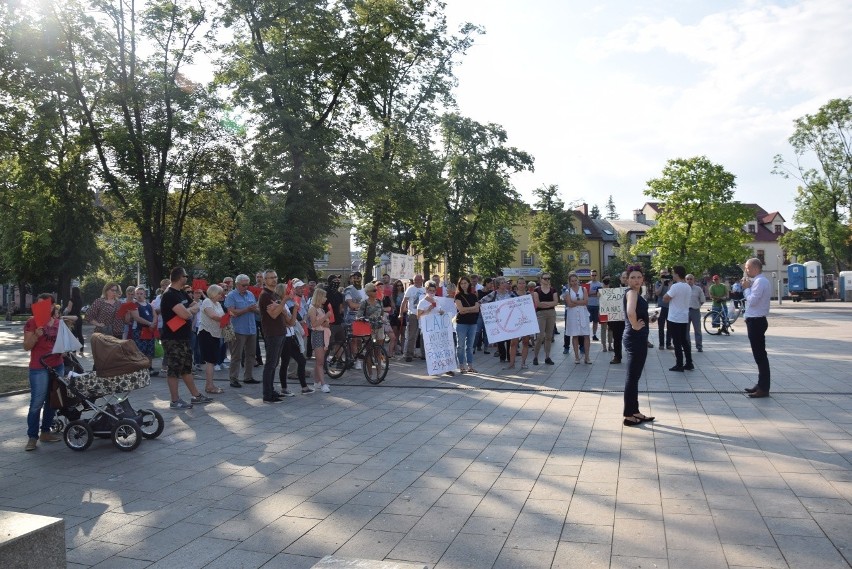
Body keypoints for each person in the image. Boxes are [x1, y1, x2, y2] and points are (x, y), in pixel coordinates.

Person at [159, 267, 212, 409]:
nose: (187, 278)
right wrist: (189, 311)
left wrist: (189, 310)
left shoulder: (181, 293)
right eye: (185, 276)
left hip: (184, 336)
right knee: (174, 369)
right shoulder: (169, 295)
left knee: (186, 368)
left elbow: (195, 305)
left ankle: (196, 396)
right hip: (172, 338)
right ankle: (175, 401)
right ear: (179, 277)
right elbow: (185, 314)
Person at [22, 294, 64, 451]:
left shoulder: (59, 324)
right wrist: (35, 336)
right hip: (39, 367)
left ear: (52, 306)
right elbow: (26, 346)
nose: (40, 308)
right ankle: (32, 437)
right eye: (38, 305)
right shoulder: (32, 322)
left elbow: (64, 346)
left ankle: (45, 432)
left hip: (57, 365)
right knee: (37, 402)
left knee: (52, 401)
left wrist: (65, 349)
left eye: (44, 305)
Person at [622, 265, 655, 426]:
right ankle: (628, 415)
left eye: (638, 277)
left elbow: (636, 311)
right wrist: (635, 324)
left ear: (643, 279)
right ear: (627, 280)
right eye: (632, 277)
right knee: (632, 377)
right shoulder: (632, 293)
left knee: (635, 377)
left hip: (638, 337)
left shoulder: (636, 293)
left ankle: (635, 411)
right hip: (635, 338)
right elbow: (630, 312)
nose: (636, 280)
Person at [276, 279, 314, 396]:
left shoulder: (286, 304)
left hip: (290, 336)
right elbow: (291, 322)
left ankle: (302, 387)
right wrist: (295, 310)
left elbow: (291, 321)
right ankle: (288, 388)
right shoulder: (281, 304)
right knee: (287, 362)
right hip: (285, 337)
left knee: (296, 361)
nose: (292, 292)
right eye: (290, 290)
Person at [742, 258, 772, 398]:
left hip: (757, 321)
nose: (746, 270)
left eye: (747, 267)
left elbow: (753, 301)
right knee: (759, 355)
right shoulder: (759, 281)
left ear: (755, 268)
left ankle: (764, 388)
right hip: (755, 320)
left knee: (760, 356)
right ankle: (761, 384)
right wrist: (747, 286)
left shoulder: (760, 281)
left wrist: (747, 288)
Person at [224, 274, 259, 389]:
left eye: (247, 285)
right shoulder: (231, 295)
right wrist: (247, 309)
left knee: (251, 355)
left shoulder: (250, 294)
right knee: (236, 356)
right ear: (237, 284)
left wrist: (258, 309)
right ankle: (233, 378)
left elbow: (256, 309)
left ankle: (248, 377)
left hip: (251, 328)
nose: (246, 287)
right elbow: (231, 312)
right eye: (243, 285)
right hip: (238, 329)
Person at [259, 270, 287, 402]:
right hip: (272, 333)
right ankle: (267, 394)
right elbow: (274, 314)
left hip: (280, 332)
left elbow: (280, 312)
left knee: (275, 363)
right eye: (270, 278)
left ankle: (271, 390)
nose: (274, 280)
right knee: (270, 364)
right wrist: (284, 301)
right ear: (265, 280)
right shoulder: (265, 295)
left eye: (275, 277)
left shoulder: (274, 294)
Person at [663, 266, 693, 372]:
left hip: (674, 317)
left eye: (673, 273)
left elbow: (665, 299)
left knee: (676, 342)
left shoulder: (675, 287)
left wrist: (669, 288)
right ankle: (689, 362)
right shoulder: (688, 286)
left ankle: (679, 364)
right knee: (684, 341)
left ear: (677, 274)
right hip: (684, 317)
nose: (672, 275)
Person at [479, 277, 515, 363]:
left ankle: (510, 357)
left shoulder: (510, 293)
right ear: (498, 285)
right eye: (502, 283)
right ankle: (502, 357)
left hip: (509, 320)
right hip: (498, 320)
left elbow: (517, 303)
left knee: (510, 339)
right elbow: (482, 301)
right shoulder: (494, 294)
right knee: (501, 339)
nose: (504, 284)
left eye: (505, 282)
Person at [198, 284, 226, 395]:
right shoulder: (207, 302)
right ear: (214, 293)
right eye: (219, 293)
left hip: (216, 334)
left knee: (213, 360)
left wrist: (227, 318)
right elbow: (213, 316)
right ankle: (209, 386)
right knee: (210, 361)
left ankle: (210, 384)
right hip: (207, 333)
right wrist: (226, 318)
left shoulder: (218, 304)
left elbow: (222, 317)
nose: (221, 295)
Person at [128, 286, 158, 376]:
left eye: (141, 293)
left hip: (149, 330)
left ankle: (149, 367)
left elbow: (155, 315)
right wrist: (150, 323)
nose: (139, 295)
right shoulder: (133, 305)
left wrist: (153, 324)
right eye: (137, 293)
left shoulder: (149, 304)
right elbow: (137, 318)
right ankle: (140, 369)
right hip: (139, 331)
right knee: (141, 350)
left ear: (145, 294)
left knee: (150, 350)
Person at [564, 273, 591, 364]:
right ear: (570, 282)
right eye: (572, 281)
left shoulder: (583, 289)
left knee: (586, 335)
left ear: (578, 280)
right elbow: (569, 304)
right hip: (573, 315)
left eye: (576, 280)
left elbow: (586, 301)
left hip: (583, 314)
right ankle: (576, 357)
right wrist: (580, 302)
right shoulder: (568, 291)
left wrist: (574, 301)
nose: (574, 282)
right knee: (574, 335)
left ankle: (587, 357)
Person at [532, 273, 559, 366]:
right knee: (540, 337)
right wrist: (549, 303)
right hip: (541, 314)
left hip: (551, 314)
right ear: (541, 279)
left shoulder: (553, 290)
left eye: (549, 278)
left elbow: (556, 302)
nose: (547, 280)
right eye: (545, 278)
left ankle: (547, 357)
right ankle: (535, 356)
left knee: (549, 336)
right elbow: (537, 303)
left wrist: (546, 303)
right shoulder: (537, 290)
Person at [454, 276, 480, 373]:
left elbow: (477, 310)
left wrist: (468, 309)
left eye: (465, 283)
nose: (464, 285)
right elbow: (461, 310)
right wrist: (473, 308)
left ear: (469, 284)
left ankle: (470, 366)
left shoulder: (473, 296)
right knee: (460, 345)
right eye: (462, 283)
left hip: (472, 323)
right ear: (459, 285)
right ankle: (461, 365)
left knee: (470, 346)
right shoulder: (458, 296)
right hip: (461, 323)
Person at [308, 287, 331, 392]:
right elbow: (314, 324)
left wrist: (326, 321)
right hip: (317, 334)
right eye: (324, 296)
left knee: (320, 361)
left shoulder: (320, 309)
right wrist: (326, 316)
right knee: (320, 361)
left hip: (323, 334)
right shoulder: (312, 308)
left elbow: (325, 323)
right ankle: (322, 384)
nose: (325, 299)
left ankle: (317, 382)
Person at [400, 274, 426, 362]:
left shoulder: (424, 289)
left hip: (423, 314)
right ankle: (408, 354)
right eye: (415, 280)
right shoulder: (410, 289)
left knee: (424, 335)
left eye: (419, 279)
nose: (417, 281)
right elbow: (404, 301)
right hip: (413, 314)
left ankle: (424, 354)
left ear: (422, 280)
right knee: (412, 335)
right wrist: (401, 313)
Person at [607, 272, 628, 365]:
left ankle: (634, 357)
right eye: (623, 277)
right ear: (620, 278)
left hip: (630, 317)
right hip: (618, 318)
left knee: (632, 338)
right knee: (617, 338)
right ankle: (617, 356)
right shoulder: (613, 289)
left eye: (626, 277)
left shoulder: (634, 290)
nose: (625, 279)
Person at [685, 274, 706, 353]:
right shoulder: (683, 289)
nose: (689, 280)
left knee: (697, 329)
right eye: (688, 279)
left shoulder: (698, 289)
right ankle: (687, 345)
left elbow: (702, 300)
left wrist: (697, 306)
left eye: (691, 279)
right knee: (686, 330)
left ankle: (699, 346)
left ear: (694, 280)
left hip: (695, 311)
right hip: (686, 311)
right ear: (685, 280)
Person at [64, 286, 85, 356]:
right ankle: (81, 350)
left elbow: (69, 310)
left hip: (72, 318)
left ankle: (74, 351)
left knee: (73, 335)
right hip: (79, 317)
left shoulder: (71, 300)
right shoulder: (80, 299)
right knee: (80, 334)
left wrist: (65, 309)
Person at [654, 272, 672, 349]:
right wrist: (662, 283)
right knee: (660, 326)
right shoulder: (658, 283)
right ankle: (661, 344)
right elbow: (657, 293)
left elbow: (670, 293)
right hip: (660, 307)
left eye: (665, 273)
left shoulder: (671, 282)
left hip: (670, 307)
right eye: (662, 273)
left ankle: (668, 344)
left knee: (670, 327)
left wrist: (669, 284)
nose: (664, 274)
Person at [587, 270, 603, 341]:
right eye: (592, 275)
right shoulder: (588, 284)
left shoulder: (600, 284)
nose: (594, 276)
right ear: (590, 276)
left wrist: (591, 293)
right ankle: (587, 334)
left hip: (597, 305)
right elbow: (587, 294)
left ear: (597, 275)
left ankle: (594, 335)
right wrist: (595, 293)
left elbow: (600, 294)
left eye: (595, 275)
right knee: (587, 321)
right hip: (589, 305)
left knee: (595, 321)